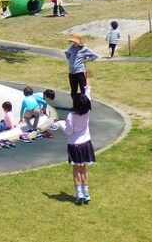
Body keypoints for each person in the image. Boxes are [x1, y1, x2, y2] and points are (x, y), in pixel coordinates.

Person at [52, 69, 96, 205]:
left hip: (74, 145)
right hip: (86, 143)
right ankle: (86, 193)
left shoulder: (71, 116)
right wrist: (87, 79)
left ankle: (79, 194)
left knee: (76, 169)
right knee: (84, 168)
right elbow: (87, 92)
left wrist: (60, 123)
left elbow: (68, 132)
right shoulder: (87, 110)